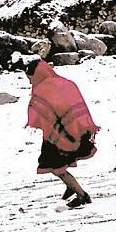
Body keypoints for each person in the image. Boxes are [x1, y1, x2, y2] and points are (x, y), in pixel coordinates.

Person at [24, 59, 100, 208]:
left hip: (60, 134)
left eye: (30, 78)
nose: (29, 82)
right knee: (59, 162)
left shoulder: (43, 89)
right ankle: (70, 186)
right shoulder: (66, 82)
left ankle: (82, 195)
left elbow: (38, 110)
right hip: (77, 129)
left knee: (54, 166)